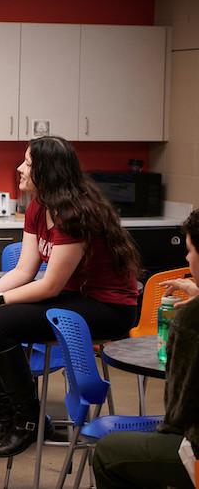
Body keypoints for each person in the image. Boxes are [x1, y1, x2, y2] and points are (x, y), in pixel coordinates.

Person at [0, 136, 140, 458]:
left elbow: (49, 286)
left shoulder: (73, 214)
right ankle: (8, 415)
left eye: (28, 164)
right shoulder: (39, 205)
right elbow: (24, 270)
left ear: (46, 172)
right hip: (74, 297)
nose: (19, 168)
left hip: (109, 307)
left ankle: (28, 422)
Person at [92, 208, 199, 489]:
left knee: (109, 452)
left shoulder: (191, 317)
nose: (186, 259)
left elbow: (180, 412)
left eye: (190, 251)